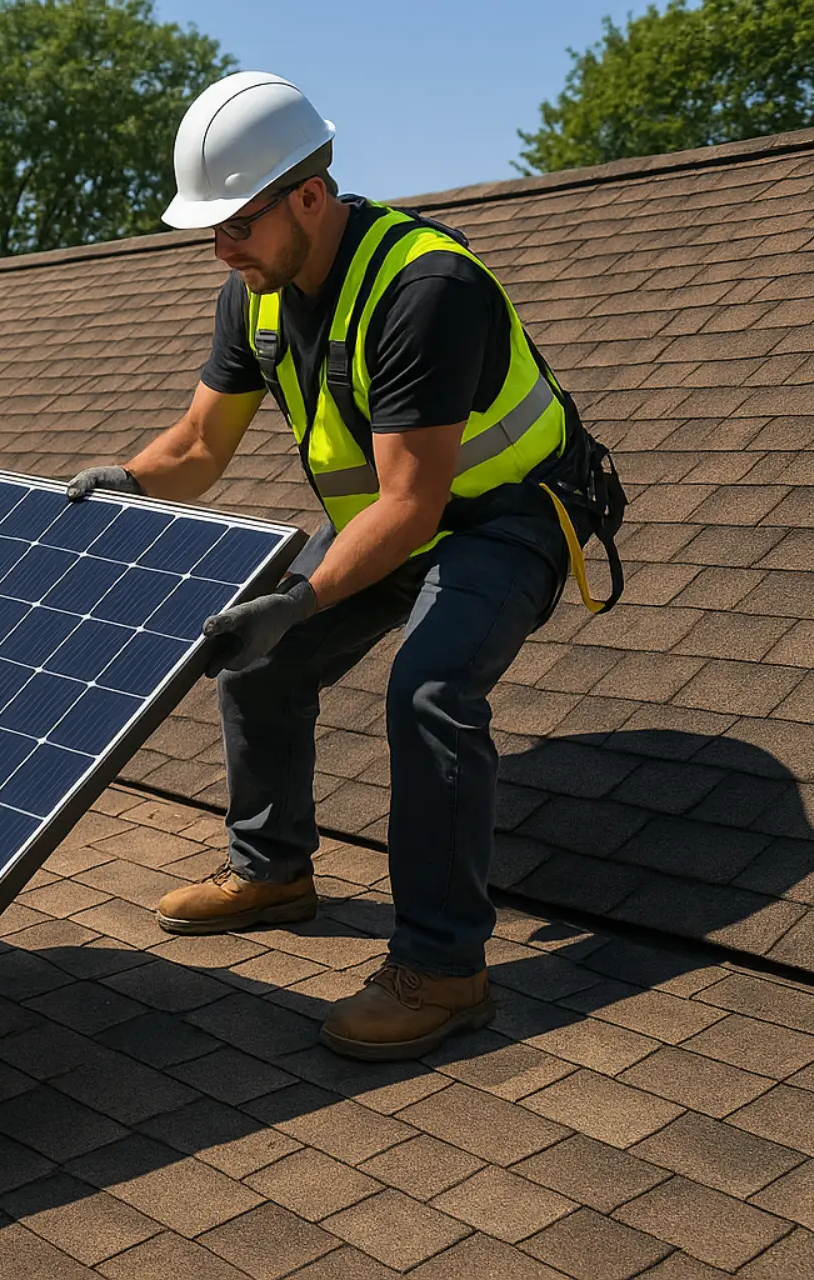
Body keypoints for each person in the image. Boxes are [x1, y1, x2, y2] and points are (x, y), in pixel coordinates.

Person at [70, 72, 621, 1061]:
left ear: (309, 198)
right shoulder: (258, 295)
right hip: (397, 520)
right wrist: (125, 482)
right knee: (256, 651)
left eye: (235, 223)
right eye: (212, 228)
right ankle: (273, 870)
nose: (220, 247)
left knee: (430, 686)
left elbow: (414, 505)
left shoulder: (423, 287)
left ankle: (446, 969)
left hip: (509, 518)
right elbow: (200, 442)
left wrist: (300, 596)